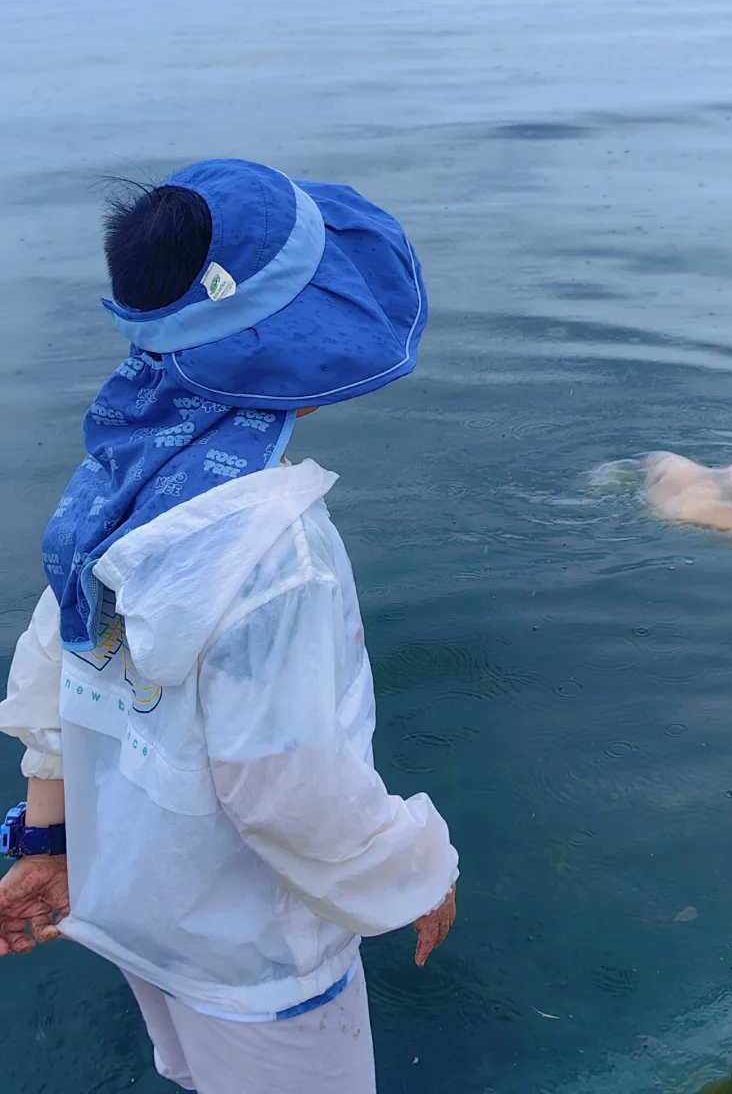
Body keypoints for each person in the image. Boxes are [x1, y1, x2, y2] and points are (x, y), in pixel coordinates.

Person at [0, 158, 458, 1093]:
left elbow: (56, 658)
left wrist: (48, 840)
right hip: (255, 954)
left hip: (135, 908)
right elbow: (285, 785)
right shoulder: (278, 548)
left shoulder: (112, 481)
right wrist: (413, 867)